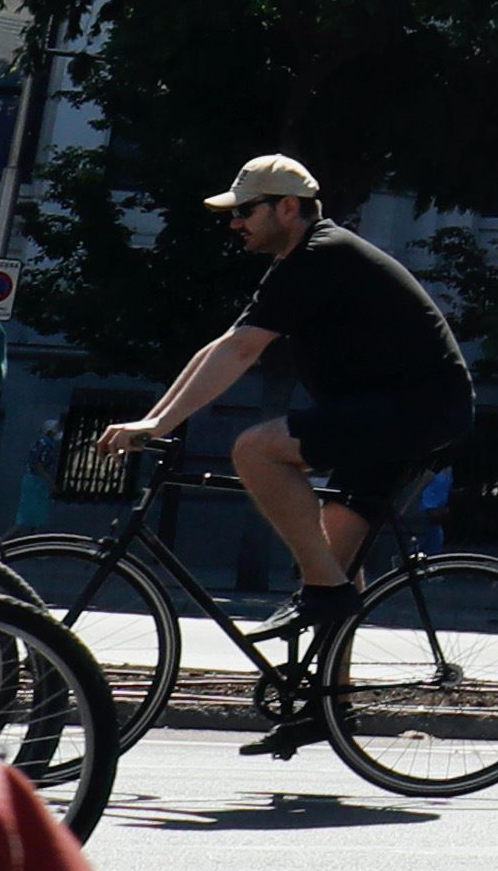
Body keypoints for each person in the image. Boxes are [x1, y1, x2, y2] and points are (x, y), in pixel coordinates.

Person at [99, 154, 475, 647]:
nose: (234, 223)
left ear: (288, 208)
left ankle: (323, 594)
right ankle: (327, 705)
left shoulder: (322, 254)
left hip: (416, 410)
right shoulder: (300, 263)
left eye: (245, 211)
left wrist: (161, 424)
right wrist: (155, 419)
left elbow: (241, 350)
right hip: (386, 413)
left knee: (256, 449)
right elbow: (223, 345)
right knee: (332, 559)